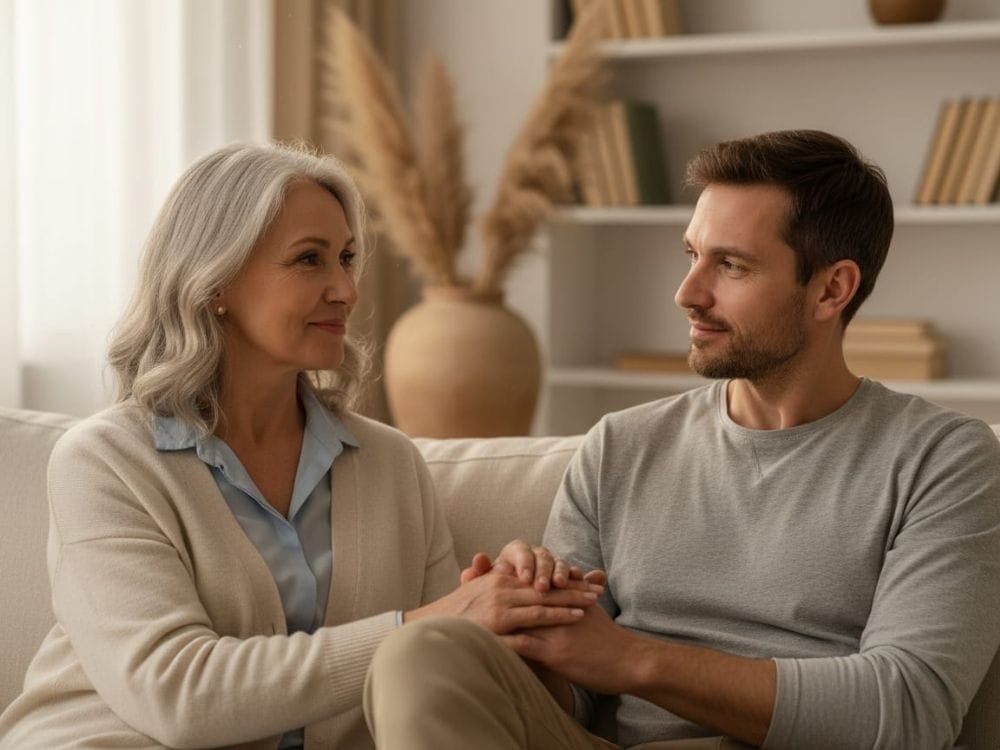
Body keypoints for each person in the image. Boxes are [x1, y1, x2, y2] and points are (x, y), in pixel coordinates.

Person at [362, 130, 1000, 749]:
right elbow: (575, 699)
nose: (688, 293)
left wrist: (634, 661)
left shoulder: (943, 461)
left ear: (831, 289)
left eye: (731, 265)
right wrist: (528, 629)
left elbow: (913, 710)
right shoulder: (620, 445)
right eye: (692, 255)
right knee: (424, 651)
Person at [0, 142, 602, 749]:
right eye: (309, 260)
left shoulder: (392, 465)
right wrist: (445, 617)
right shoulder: (105, 462)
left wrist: (523, 616)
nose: (345, 289)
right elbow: (177, 695)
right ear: (217, 281)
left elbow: (432, 680)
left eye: (346, 258)